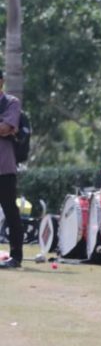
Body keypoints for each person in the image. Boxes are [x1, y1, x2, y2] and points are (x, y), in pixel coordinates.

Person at [0, 70, 23, 269]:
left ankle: (16, 256)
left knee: (10, 212)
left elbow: (6, 127)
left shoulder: (10, 102)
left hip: (4, 167)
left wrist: (4, 127)